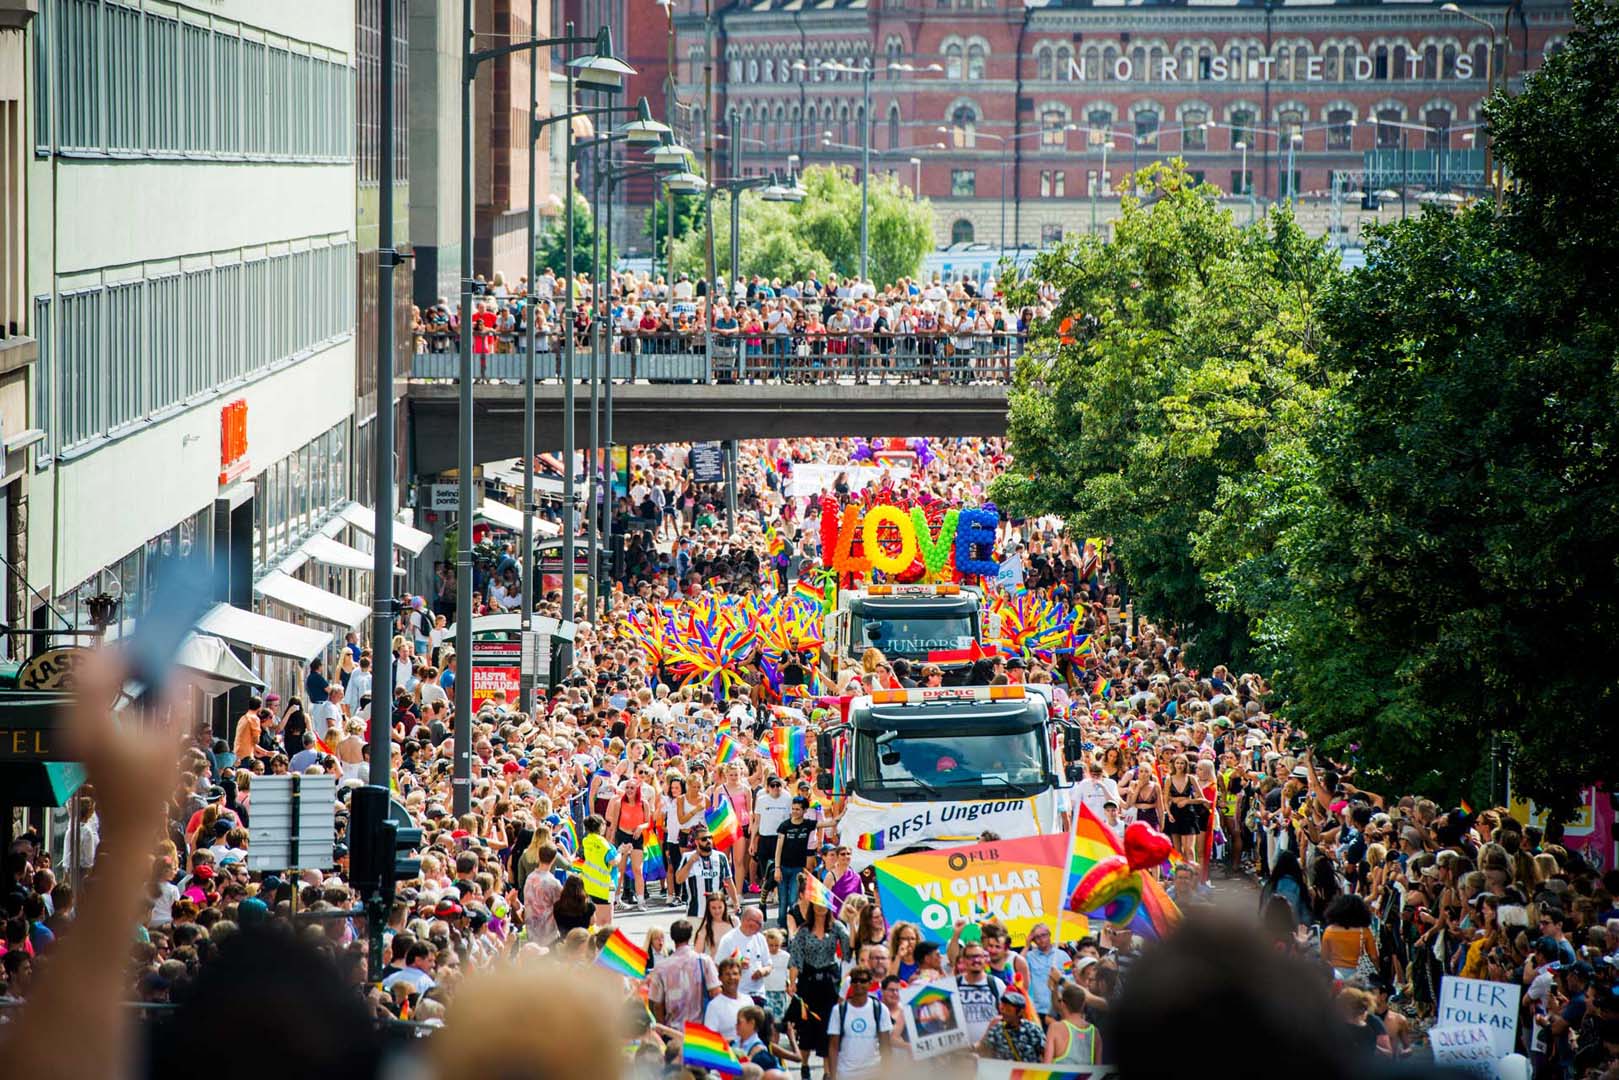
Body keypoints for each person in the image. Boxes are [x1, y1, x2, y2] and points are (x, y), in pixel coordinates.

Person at [648, 919, 722, 1029]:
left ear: (672, 937)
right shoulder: (703, 960)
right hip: (700, 1029)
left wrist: (662, 1030)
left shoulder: (661, 967)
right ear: (690, 936)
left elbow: (657, 1004)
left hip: (672, 1030)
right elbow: (716, 992)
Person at [825, 965, 891, 1080]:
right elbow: (833, 1046)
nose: (858, 984)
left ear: (870, 983)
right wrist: (833, 1075)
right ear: (850, 984)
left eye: (863, 981)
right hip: (845, 1073)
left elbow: (886, 1046)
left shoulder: (880, 1009)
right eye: (855, 981)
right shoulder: (839, 1010)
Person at [773, 797, 817, 928]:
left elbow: (829, 823)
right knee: (783, 901)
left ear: (804, 811)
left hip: (798, 869)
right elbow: (778, 849)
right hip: (783, 868)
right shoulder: (784, 826)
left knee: (793, 899)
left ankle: (793, 927)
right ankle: (782, 928)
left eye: (798, 809)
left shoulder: (808, 824)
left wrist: (845, 813)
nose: (795, 812)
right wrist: (777, 868)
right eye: (793, 809)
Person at [716, 904, 774, 999]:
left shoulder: (761, 938)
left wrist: (762, 971)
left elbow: (769, 965)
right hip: (736, 995)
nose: (761, 927)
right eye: (759, 923)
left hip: (758, 994)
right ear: (747, 921)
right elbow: (719, 966)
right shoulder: (728, 939)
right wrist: (737, 965)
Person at [976, 989, 1045, 1063]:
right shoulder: (997, 1030)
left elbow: (1044, 1053)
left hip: (1028, 1073)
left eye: (1008, 1010)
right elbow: (984, 1050)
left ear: (1020, 1012)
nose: (1004, 1012)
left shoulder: (1033, 1030)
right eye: (1002, 1009)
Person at [1045, 982, 1102, 1065]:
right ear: (1083, 1005)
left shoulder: (1055, 1028)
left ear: (1063, 1005)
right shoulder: (1095, 1032)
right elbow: (1098, 1071)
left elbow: (1047, 1065)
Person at [703, 957, 747, 1043]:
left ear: (740, 976)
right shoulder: (714, 1006)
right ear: (720, 978)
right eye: (727, 974)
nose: (731, 977)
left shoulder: (748, 1001)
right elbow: (710, 1040)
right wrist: (735, 1043)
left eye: (735, 974)